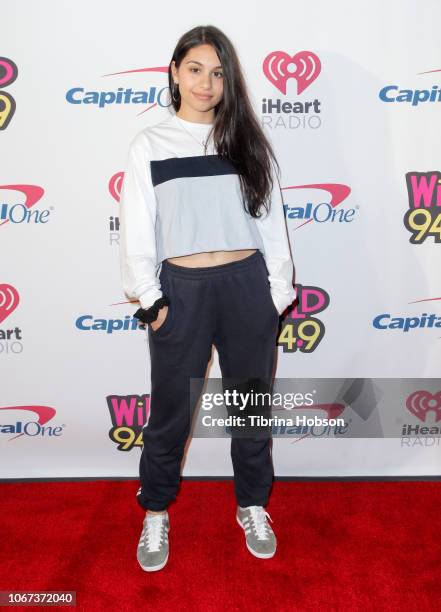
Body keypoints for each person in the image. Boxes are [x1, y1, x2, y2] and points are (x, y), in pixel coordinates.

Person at [119, 25, 296, 572]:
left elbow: (271, 222)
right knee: (171, 413)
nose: (206, 82)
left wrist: (276, 294)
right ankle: (155, 510)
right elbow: (136, 230)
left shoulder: (246, 141)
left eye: (218, 72)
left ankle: (251, 504)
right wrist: (150, 298)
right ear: (174, 72)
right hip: (183, 292)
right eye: (195, 69)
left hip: (246, 288)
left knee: (249, 411)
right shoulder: (150, 144)